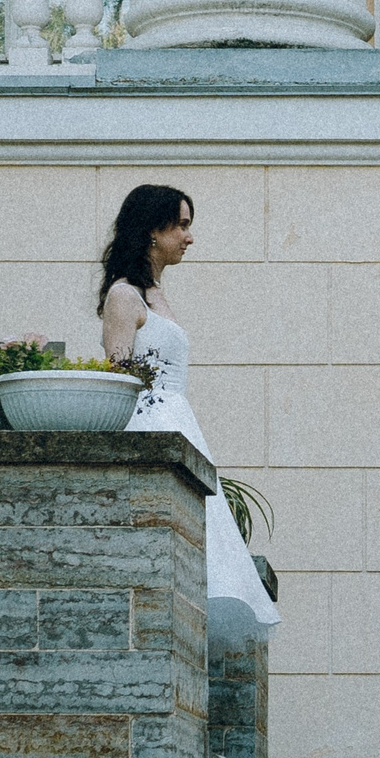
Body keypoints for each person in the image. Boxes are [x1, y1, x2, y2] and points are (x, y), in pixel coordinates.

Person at [98, 183, 282, 644]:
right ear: (151, 231)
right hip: (151, 421)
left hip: (179, 421)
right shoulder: (124, 296)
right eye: (180, 226)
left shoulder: (154, 292)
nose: (189, 237)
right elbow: (119, 375)